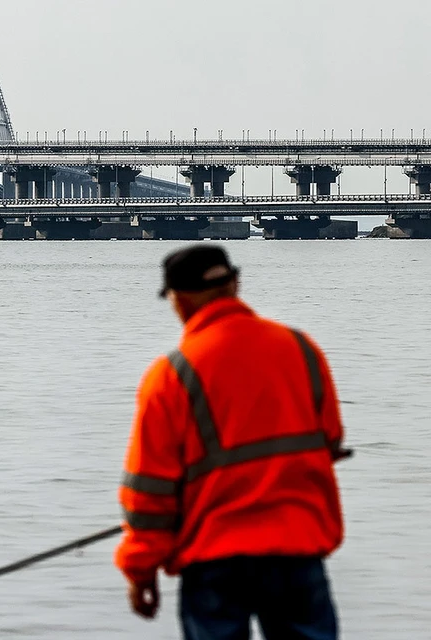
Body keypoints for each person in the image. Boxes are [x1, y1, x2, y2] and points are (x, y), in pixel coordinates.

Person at [115, 244, 350, 640]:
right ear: (236, 284)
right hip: (297, 548)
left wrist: (140, 570)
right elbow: (330, 440)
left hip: (214, 558)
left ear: (179, 298)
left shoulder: (171, 376)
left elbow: (149, 491)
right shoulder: (301, 349)